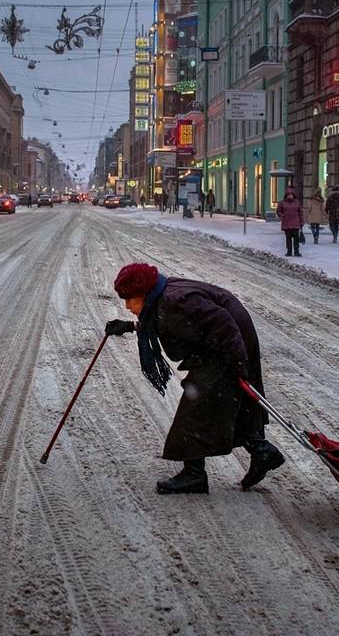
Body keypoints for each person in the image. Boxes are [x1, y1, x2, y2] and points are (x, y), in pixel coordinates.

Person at [104, 263, 285, 494]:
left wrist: (238, 366)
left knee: (197, 405)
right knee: (226, 401)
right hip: (222, 341)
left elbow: (223, 325)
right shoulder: (164, 297)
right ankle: (262, 452)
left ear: (145, 293)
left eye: (130, 299)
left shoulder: (175, 300)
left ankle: (194, 475)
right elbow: (172, 322)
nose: (127, 305)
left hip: (229, 343)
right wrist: (131, 326)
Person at [276, 188, 304, 257]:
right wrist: (282, 216)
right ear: (286, 195)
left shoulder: (297, 202)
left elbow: (300, 212)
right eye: (288, 195)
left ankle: (296, 252)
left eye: (291, 194)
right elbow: (278, 211)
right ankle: (289, 252)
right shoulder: (282, 203)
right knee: (288, 239)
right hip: (287, 223)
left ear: (293, 195)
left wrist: (301, 221)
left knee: (296, 239)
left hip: (295, 223)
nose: (290, 196)